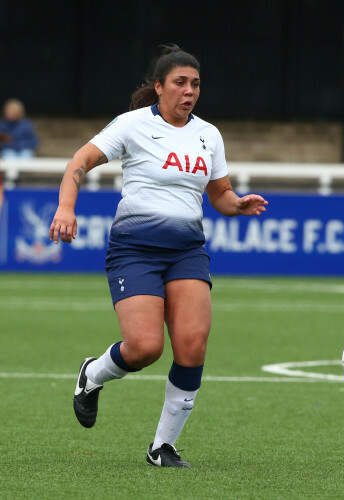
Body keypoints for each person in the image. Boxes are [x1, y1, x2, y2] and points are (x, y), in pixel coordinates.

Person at [49, 44, 268, 468]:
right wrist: (65, 206)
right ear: (159, 86)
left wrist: (235, 204)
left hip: (187, 250)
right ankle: (92, 375)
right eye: (180, 83)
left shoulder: (209, 134)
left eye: (196, 84)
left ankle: (161, 447)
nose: (189, 91)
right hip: (135, 249)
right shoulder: (131, 125)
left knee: (192, 348)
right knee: (145, 347)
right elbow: (81, 160)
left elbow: (218, 194)